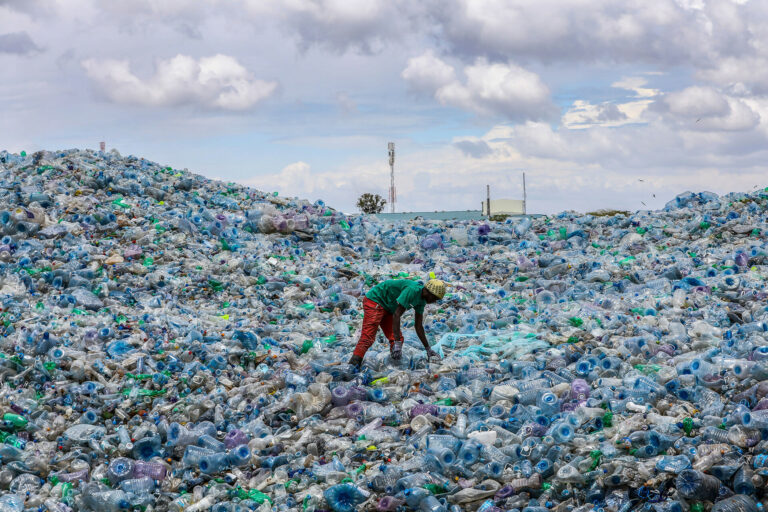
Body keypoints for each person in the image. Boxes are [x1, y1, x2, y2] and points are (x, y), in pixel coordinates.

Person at [348, 278, 446, 368]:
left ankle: (393, 366)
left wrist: (428, 348)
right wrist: (397, 342)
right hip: (376, 300)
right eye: (434, 298)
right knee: (368, 337)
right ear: (428, 292)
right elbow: (397, 314)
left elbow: (418, 325)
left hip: (388, 307)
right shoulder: (412, 291)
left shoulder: (422, 300)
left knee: (397, 339)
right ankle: (352, 366)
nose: (434, 301)